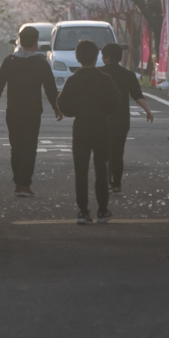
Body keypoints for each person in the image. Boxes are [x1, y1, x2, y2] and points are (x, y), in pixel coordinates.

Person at [0, 25, 62, 196]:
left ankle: (18, 182)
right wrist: (57, 107)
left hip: (13, 110)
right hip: (33, 111)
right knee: (29, 146)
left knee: (16, 146)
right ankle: (24, 184)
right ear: (36, 41)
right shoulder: (41, 63)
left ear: (19, 40)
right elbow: (50, 87)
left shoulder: (10, 61)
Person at [57, 39, 120, 225]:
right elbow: (115, 102)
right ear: (97, 56)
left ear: (77, 58)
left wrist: (75, 112)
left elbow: (63, 104)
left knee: (81, 171)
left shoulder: (73, 80)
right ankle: (102, 210)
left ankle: (83, 212)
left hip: (81, 127)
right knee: (101, 169)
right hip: (101, 126)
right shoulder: (105, 79)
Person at [101, 42, 153, 193]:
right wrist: (148, 110)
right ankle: (116, 184)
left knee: (103, 153)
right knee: (117, 153)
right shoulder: (128, 75)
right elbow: (137, 95)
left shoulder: (98, 73)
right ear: (120, 57)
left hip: (100, 120)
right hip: (121, 120)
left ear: (105, 58)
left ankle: (105, 182)